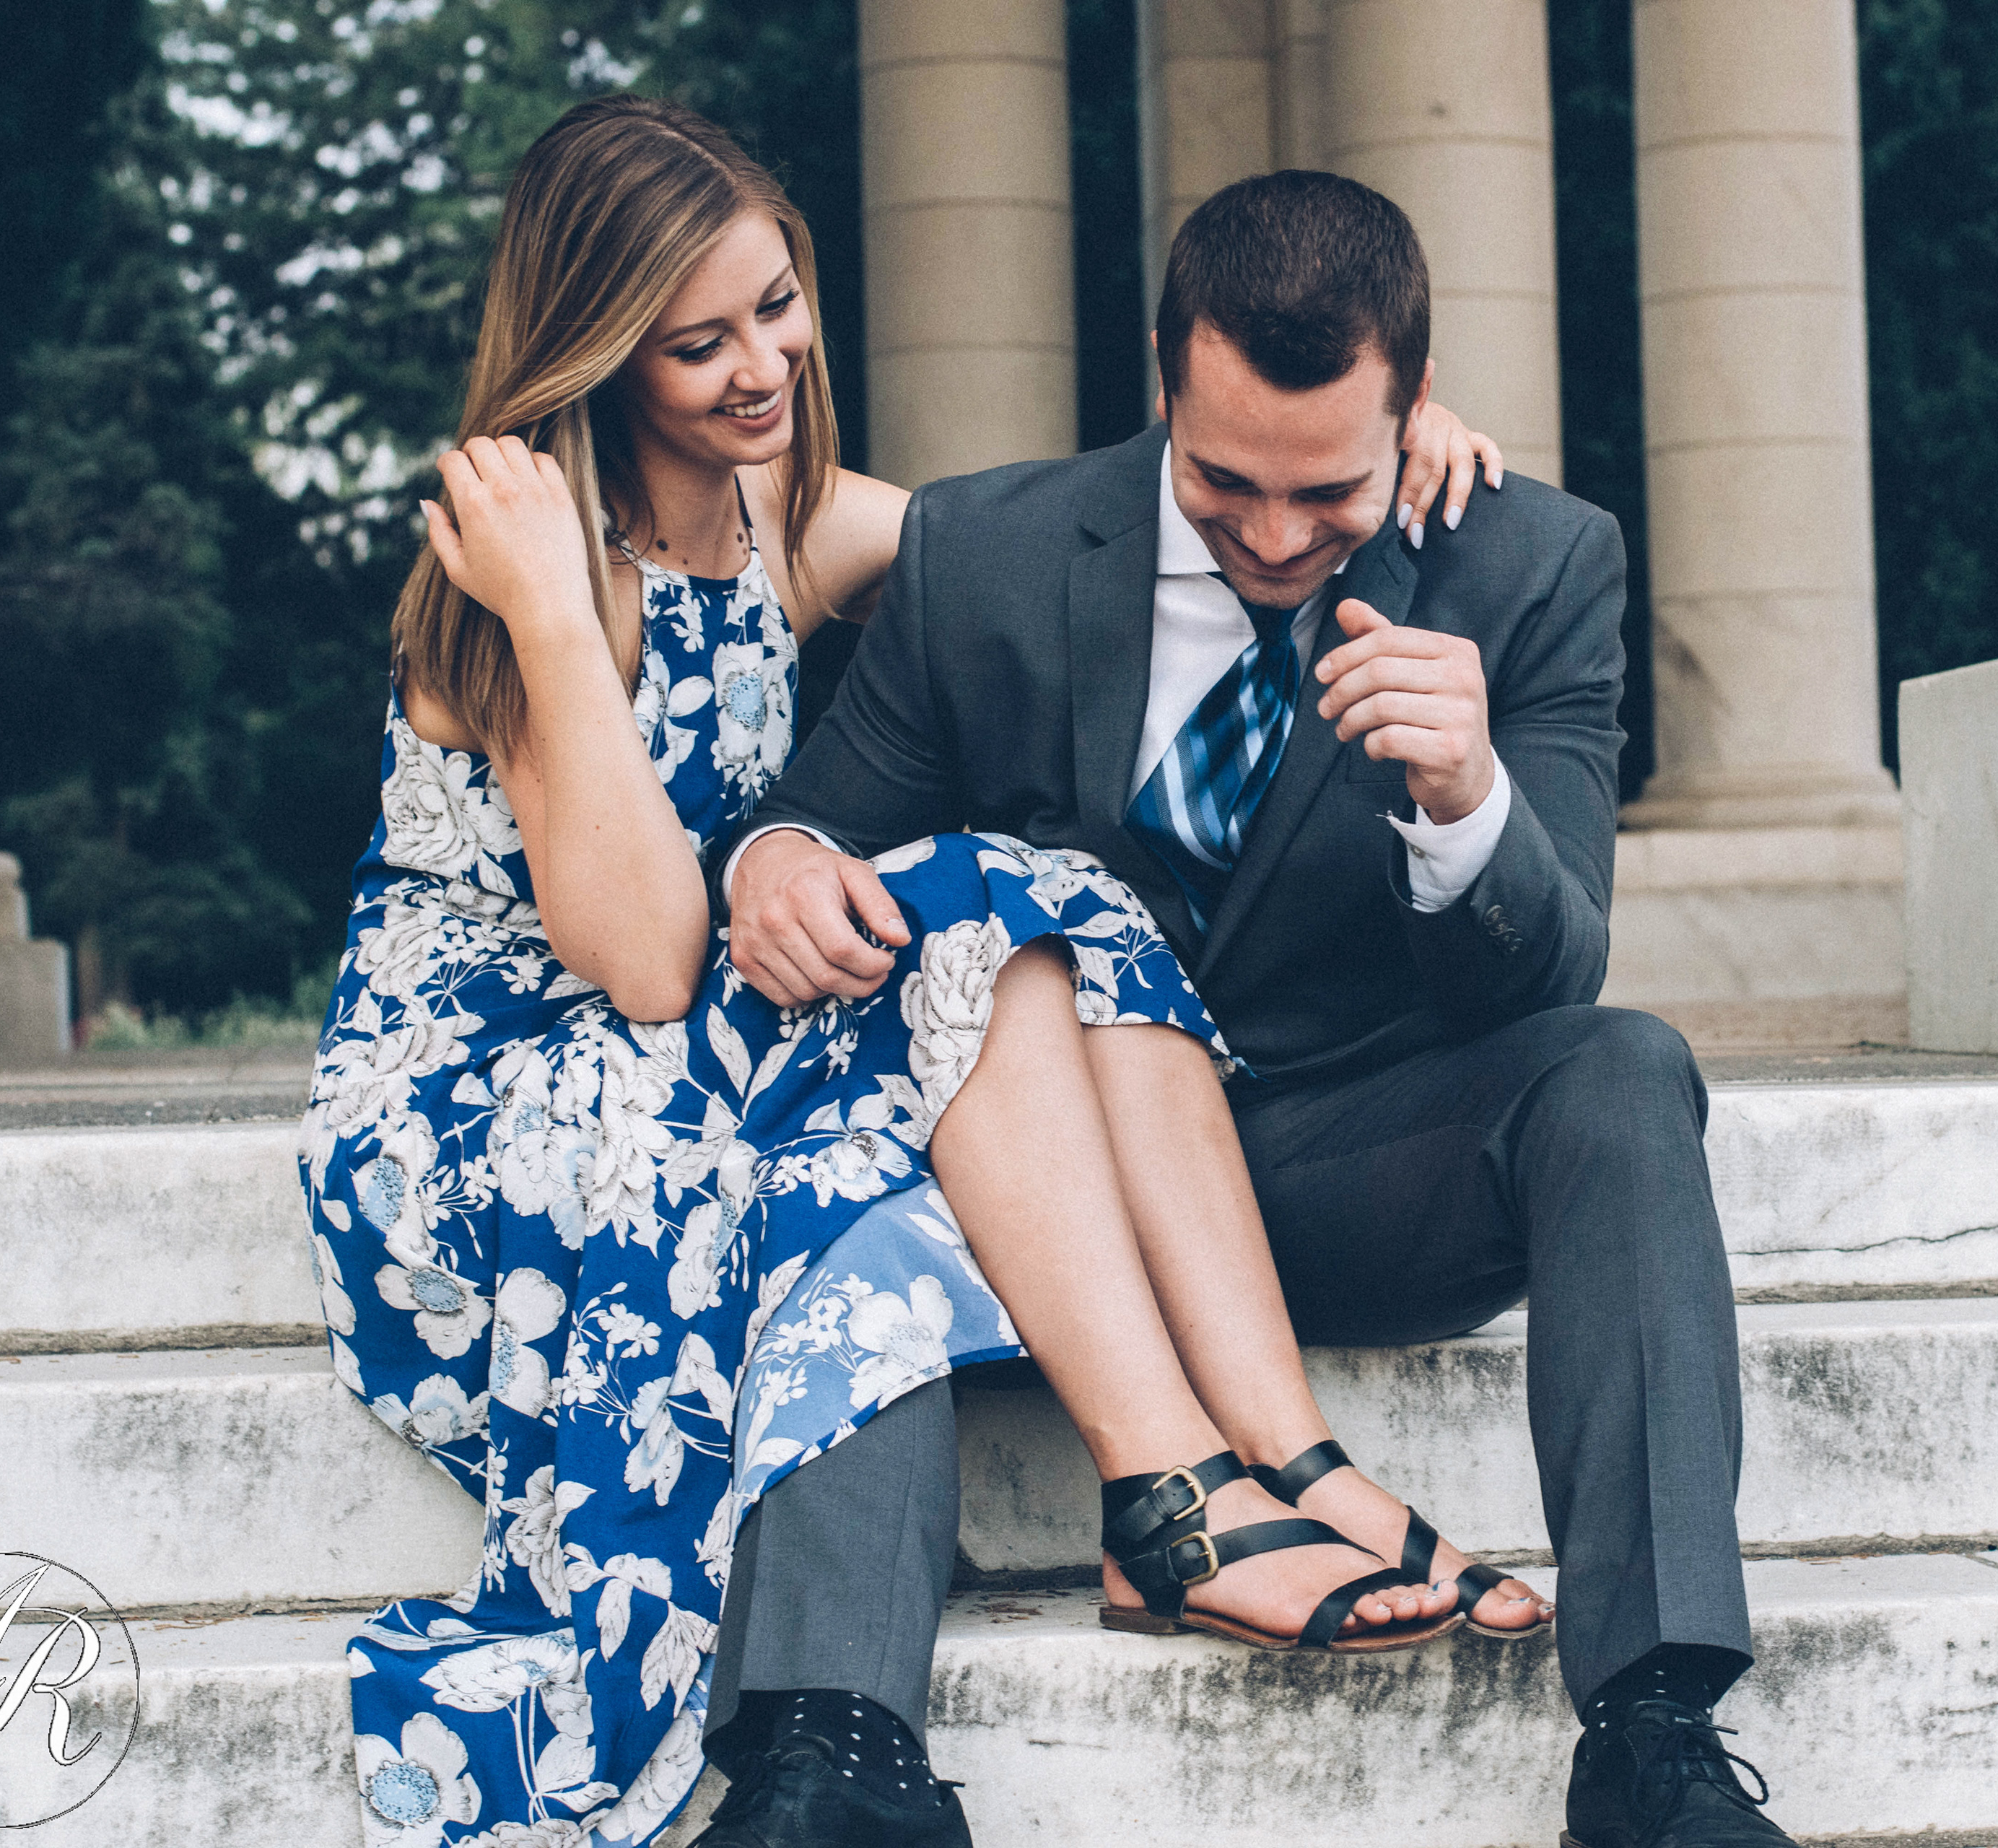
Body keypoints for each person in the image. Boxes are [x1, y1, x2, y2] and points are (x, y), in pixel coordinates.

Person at [297, 97, 1519, 1848]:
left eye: (776, 304)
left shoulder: (781, 518)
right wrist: (558, 617)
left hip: (680, 1041)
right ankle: (1186, 1484)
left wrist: (1375, 449)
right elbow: (645, 962)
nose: (760, 366)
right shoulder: (511, 585)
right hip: (492, 1097)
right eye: (697, 343)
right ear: (596, 351)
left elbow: (1066, 536)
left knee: (1038, 902)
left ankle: (1270, 1461)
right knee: (979, 904)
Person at [728, 169, 1797, 1848]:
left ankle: (1655, 1734)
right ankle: (827, 1754)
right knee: (845, 1174)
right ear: (1165, 381)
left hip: (1341, 1164)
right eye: (1227, 483)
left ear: (1416, 406)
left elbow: (1549, 977)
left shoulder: (1532, 567)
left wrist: (1467, 796)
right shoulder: (987, 552)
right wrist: (778, 861)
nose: (1282, 538)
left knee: (1621, 1069)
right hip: (1047, 1204)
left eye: (1330, 493)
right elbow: (813, 814)